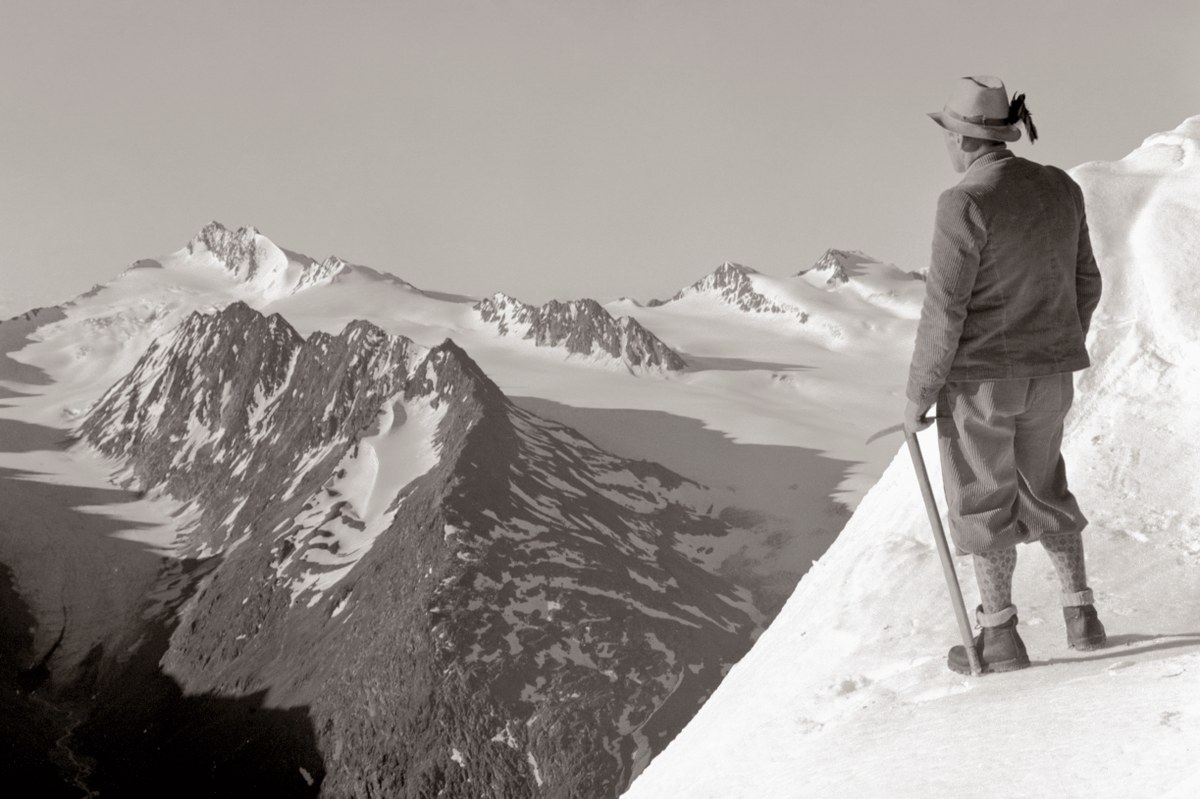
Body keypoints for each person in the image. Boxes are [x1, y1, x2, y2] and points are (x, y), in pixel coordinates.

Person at [903, 76, 1106, 674]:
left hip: (982, 382)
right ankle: (1082, 617)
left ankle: (999, 638)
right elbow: (1086, 281)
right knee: (1047, 487)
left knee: (982, 501)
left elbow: (945, 309)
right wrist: (1057, 342)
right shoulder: (1060, 187)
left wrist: (918, 395)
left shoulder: (963, 202)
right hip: (1052, 373)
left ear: (963, 140)